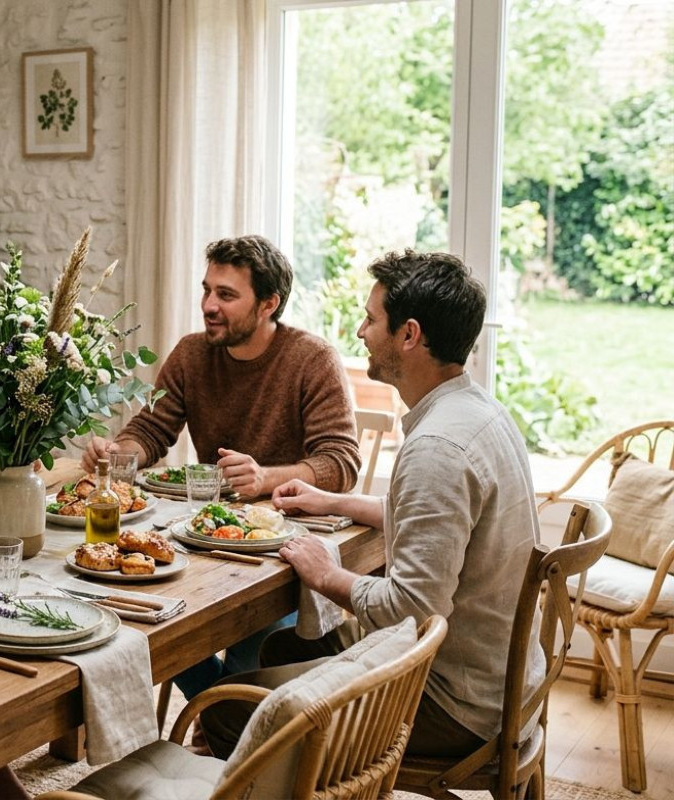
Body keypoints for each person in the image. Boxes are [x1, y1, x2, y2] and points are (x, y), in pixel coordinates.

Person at [199, 250, 543, 759]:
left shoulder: (437, 449)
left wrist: (326, 575)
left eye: (370, 319)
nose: (361, 332)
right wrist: (332, 500)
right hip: (504, 681)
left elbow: (410, 610)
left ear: (409, 335)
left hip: (453, 703)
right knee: (283, 647)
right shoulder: (479, 410)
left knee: (226, 711)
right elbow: (440, 526)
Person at [81, 235, 361, 698]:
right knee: (135, 612)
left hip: (279, 551)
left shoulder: (312, 359)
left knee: (246, 656)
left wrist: (266, 477)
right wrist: (118, 453)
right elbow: (151, 430)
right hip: (201, 536)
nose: (209, 305)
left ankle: (224, 713)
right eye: (207, 290)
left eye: (226, 295)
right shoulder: (192, 354)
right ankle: (221, 711)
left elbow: (340, 462)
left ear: (269, 304)